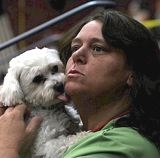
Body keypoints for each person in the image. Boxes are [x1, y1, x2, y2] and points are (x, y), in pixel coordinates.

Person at [0, 9, 160, 158]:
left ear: (133, 72)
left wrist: (6, 148)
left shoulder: (118, 146)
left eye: (98, 48)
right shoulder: (88, 131)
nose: (77, 54)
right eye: (75, 47)